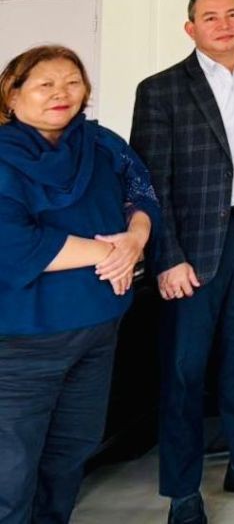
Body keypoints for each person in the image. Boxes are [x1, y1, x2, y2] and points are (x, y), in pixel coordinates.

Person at [131, 0, 234, 524]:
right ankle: (183, 491)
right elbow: (149, 184)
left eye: (232, 14)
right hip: (191, 249)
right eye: (210, 17)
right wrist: (166, 257)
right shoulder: (161, 90)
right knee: (185, 369)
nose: (223, 25)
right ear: (190, 28)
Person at [0, 45, 158, 524]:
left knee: (71, 451)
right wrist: (110, 252)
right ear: (12, 95)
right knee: (11, 469)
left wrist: (135, 237)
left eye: (72, 82)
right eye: (45, 84)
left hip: (98, 331)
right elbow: (14, 246)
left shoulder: (100, 142)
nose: (61, 93)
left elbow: (142, 190)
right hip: (23, 345)